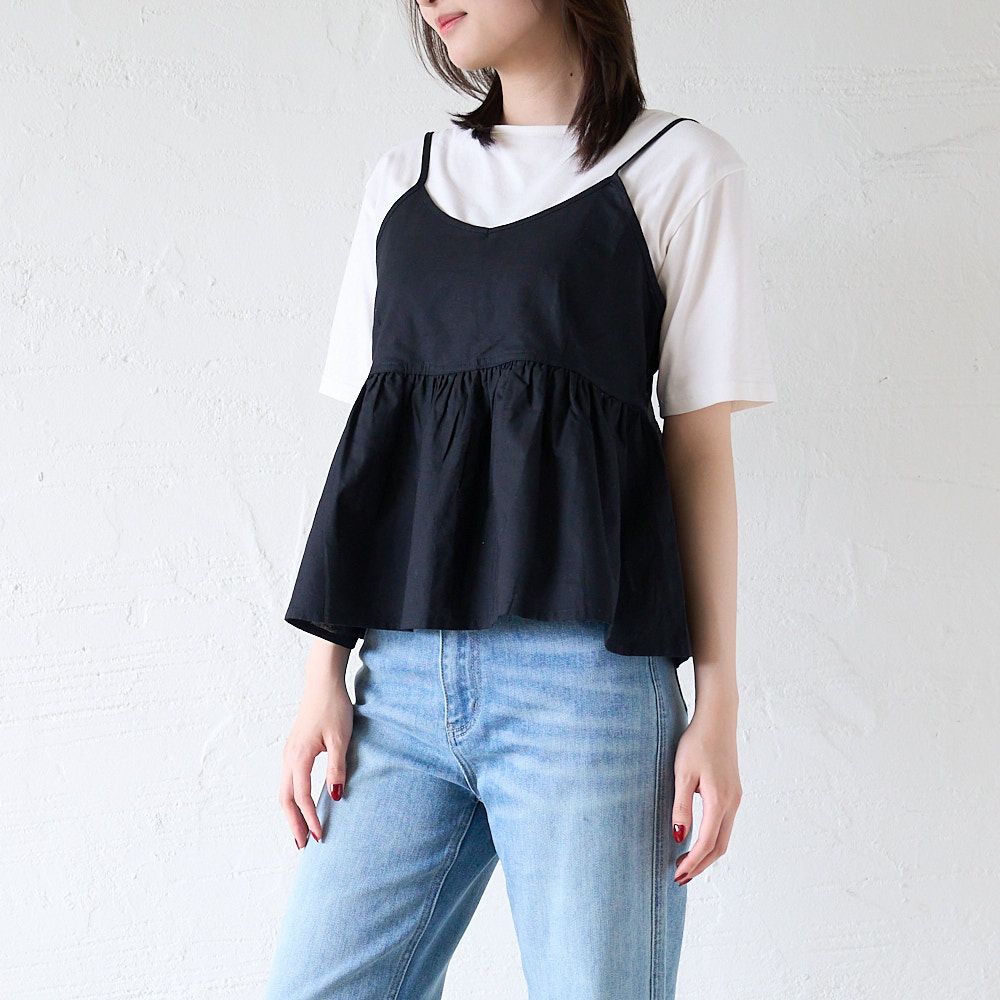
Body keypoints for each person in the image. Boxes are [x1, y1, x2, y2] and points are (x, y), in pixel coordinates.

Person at [265, 2, 777, 998]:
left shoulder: (680, 168)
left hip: (585, 689)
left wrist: (716, 707)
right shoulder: (401, 180)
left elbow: (697, 452)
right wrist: (321, 673)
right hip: (398, 684)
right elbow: (371, 449)